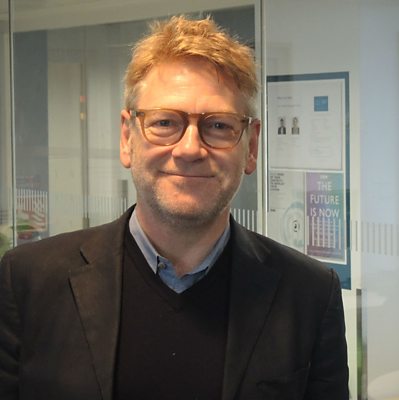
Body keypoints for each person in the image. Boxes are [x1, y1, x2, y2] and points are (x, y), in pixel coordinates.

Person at [0, 15, 348, 400]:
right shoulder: (29, 280)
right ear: (127, 138)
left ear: (251, 147)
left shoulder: (310, 295)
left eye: (219, 126)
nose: (189, 149)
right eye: (165, 122)